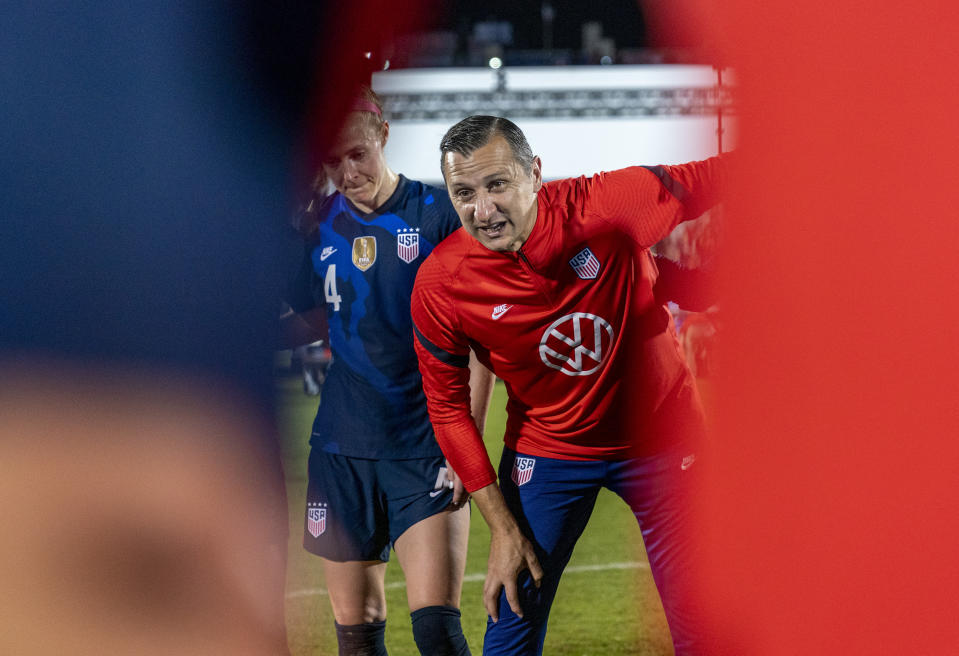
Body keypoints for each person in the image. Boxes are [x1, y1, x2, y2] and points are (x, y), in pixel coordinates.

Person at [410, 115, 727, 655]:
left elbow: (724, 175)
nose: (482, 210)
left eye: (497, 185)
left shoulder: (610, 204)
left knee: (707, 622)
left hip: (665, 441)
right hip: (549, 454)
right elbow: (447, 409)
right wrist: (502, 529)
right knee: (510, 624)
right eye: (464, 193)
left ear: (535, 174)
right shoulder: (442, 283)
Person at [283, 88, 495, 656]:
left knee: (436, 630)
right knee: (356, 636)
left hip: (425, 444)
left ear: (383, 136)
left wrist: (463, 447)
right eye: (333, 162)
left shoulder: (439, 215)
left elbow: (481, 346)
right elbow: (315, 320)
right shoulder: (316, 226)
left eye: (358, 154)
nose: (348, 173)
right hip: (342, 447)